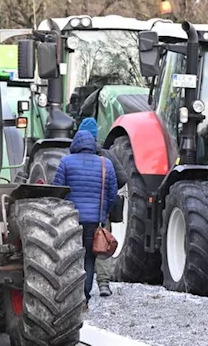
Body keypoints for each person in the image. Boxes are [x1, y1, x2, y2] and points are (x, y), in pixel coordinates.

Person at [52, 125, 118, 303]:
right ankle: (85, 297)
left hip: (70, 220)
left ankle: (67, 297)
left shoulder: (66, 162)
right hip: (95, 221)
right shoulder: (106, 163)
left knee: (70, 259)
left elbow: (57, 191)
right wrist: (103, 213)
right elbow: (112, 194)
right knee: (89, 257)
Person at [76, 117, 125, 297]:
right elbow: (122, 179)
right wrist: (106, 198)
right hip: (102, 211)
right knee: (101, 244)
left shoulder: (71, 157)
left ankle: (79, 286)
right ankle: (103, 283)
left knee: (80, 249)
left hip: (77, 212)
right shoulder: (107, 156)